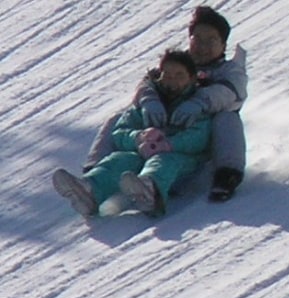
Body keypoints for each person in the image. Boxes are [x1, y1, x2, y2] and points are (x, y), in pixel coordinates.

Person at [51, 50, 216, 219]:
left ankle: (151, 192)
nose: (172, 80)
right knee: (121, 159)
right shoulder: (149, 103)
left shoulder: (196, 106)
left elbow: (200, 138)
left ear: (192, 78)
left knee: (163, 160)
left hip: (184, 164)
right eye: (167, 75)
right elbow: (120, 133)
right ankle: (89, 190)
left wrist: (169, 144)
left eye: (179, 75)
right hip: (143, 158)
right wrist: (138, 138)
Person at [187, 6, 250, 202]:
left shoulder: (231, 70)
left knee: (227, 118)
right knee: (123, 119)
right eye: (197, 39)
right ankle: (97, 173)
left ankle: (227, 175)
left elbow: (229, 93)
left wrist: (197, 102)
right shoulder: (177, 65)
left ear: (223, 46)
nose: (203, 46)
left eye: (211, 40)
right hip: (172, 132)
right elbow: (149, 86)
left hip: (209, 139)